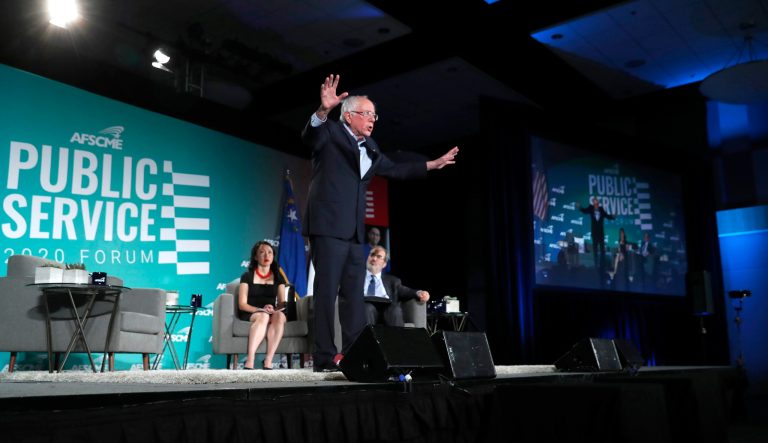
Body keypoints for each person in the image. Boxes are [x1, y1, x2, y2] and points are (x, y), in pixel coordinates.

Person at [301, 74, 458, 372]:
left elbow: (396, 169)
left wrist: (431, 165)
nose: (372, 119)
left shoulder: (370, 147)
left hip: (355, 233)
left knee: (353, 298)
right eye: (367, 114)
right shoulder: (330, 133)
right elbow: (309, 137)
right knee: (325, 294)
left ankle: (354, 355)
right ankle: (323, 358)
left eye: (375, 115)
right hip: (328, 227)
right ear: (349, 115)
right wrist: (322, 111)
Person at [237, 241, 287, 370]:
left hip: (270, 311)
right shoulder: (247, 276)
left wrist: (274, 308)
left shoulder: (278, 277)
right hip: (252, 311)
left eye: (270, 252)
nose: (266, 255)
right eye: (262, 252)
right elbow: (242, 304)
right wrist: (260, 310)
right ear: (255, 256)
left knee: (280, 316)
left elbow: (282, 302)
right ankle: (250, 359)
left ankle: (268, 360)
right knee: (263, 316)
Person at [363, 246, 429, 327]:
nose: (374, 259)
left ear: (384, 264)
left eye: (379, 257)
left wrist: (420, 293)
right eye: (372, 255)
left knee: (394, 310)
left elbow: (406, 291)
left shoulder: (392, 281)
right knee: (367, 308)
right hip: (366, 309)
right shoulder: (356, 278)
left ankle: (396, 339)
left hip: (387, 310)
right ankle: (367, 339)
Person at [578, 196, 615, 272]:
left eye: (597, 203)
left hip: (601, 233)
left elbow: (607, 216)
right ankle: (596, 266)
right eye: (594, 203)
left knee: (602, 250)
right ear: (593, 203)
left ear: (598, 203)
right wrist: (580, 207)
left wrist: (613, 217)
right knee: (595, 250)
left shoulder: (601, 210)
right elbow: (584, 211)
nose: (596, 205)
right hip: (594, 233)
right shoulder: (591, 208)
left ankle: (603, 265)